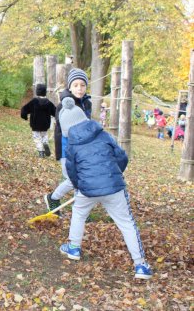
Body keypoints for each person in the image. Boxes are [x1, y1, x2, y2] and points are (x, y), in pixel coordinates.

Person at [58, 97, 152, 280]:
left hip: (86, 190)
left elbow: (72, 171)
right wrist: (114, 174)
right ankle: (140, 265)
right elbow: (121, 157)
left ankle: (74, 248)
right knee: (126, 222)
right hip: (114, 188)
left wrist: (79, 187)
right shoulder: (103, 134)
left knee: (78, 213)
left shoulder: (72, 145)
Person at [44, 68, 92, 214]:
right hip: (67, 148)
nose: (79, 88)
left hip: (82, 148)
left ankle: (80, 210)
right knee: (72, 179)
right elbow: (67, 129)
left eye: (82, 85)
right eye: (76, 85)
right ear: (70, 87)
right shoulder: (64, 105)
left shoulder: (87, 103)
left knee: (82, 178)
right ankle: (53, 198)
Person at [20, 83, 56, 158]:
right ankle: (45, 143)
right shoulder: (49, 103)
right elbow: (55, 112)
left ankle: (41, 152)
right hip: (45, 124)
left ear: (37, 91)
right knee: (44, 135)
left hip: (35, 124)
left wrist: (25, 116)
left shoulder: (34, 101)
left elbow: (24, 109)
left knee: (37, 138)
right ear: (45, 92)